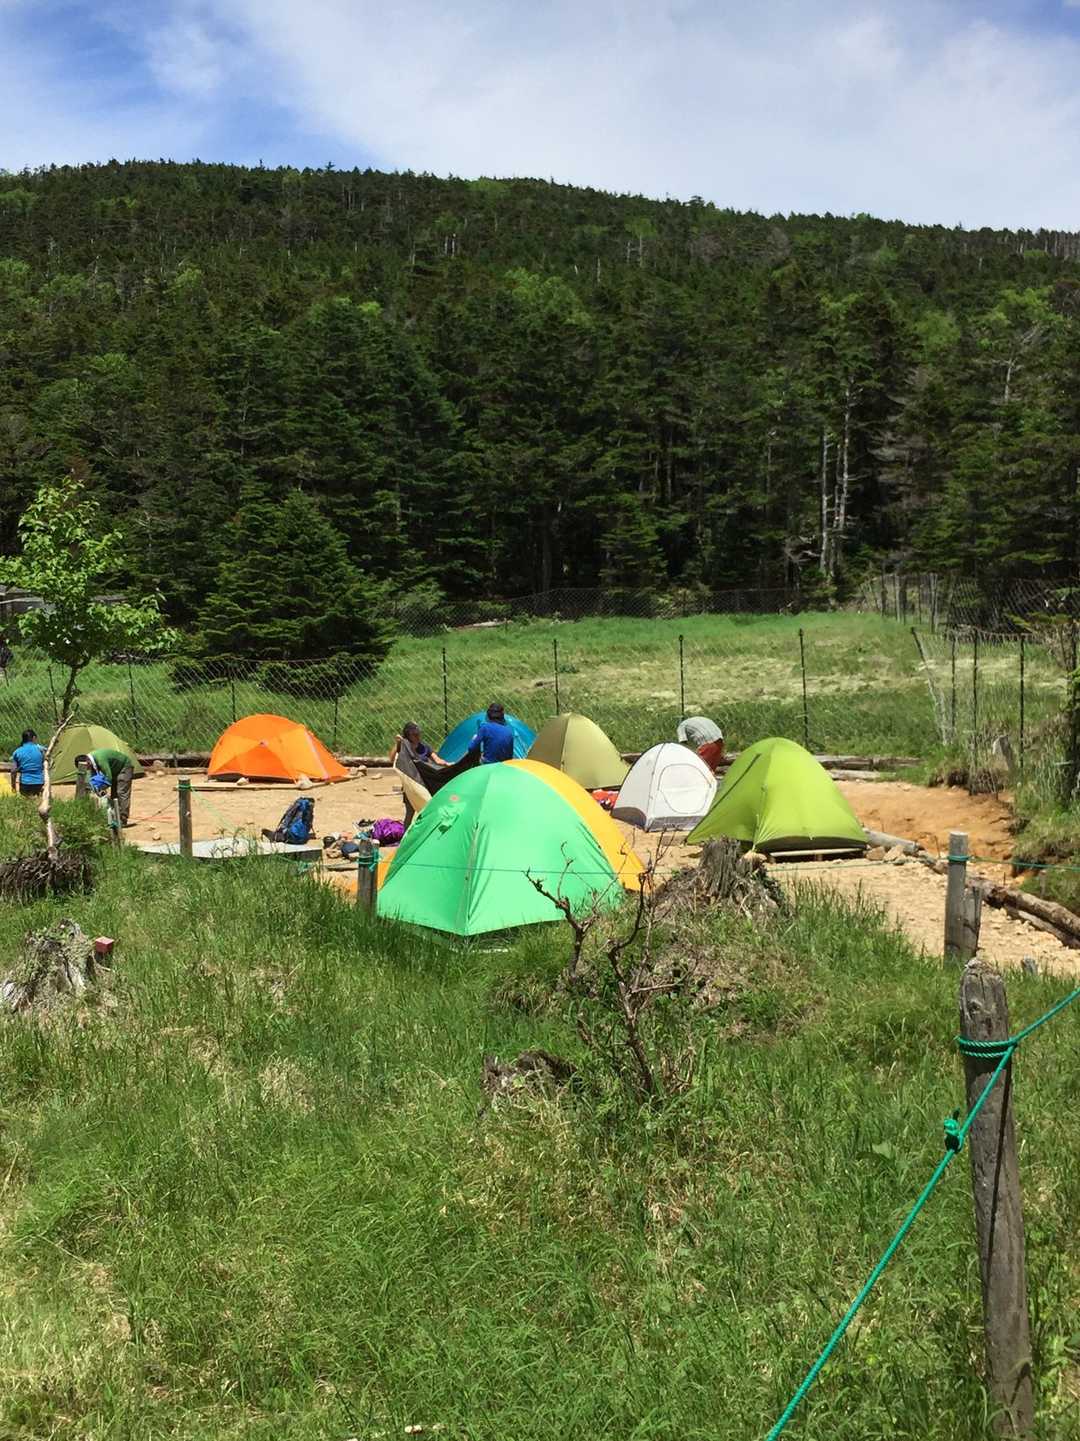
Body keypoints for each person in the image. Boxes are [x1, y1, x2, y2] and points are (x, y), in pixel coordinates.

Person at [390, 722, 447, 829]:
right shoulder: (404, 746)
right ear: (408, 735)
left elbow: (438, 760)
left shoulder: (424, 746)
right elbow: (392, 759)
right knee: (410, 813)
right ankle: (405, 836)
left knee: (428, 809)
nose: (418, 737)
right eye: (414, 734)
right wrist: (398, 744)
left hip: (426, 784)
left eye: (418, 734)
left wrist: (450, 765)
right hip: (412, 785)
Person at [74, 747, 135, 826]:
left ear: (87, 762)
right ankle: (114, 817)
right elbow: (93, 777)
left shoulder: (100, 759)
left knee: (121, 792)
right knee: (114, 794)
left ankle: (123, 818)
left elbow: (108, 777)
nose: (87, 769)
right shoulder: (92, 761)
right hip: (114, 769)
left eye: (87, 768)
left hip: (125, 766)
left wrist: (101, 789)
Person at [10, 728, 45, 797]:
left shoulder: (17, 752)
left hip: (25, 784)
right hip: (39, 783)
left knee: (26, 800)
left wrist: (13, 787)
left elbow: (13, 771)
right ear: (34, 738)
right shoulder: (41, 750)